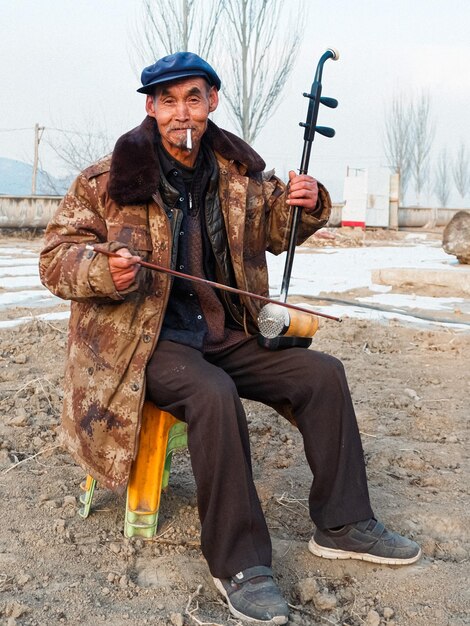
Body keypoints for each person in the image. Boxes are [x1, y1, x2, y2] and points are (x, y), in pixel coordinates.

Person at [40, 52, 420, 624]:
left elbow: (275, 228)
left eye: (192, 97)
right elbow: (53, 259)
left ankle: (344, 524)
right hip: (144, 345)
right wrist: (102, 271)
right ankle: (239, 564)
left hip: (223, 330)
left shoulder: (238, 172)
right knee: (213, 395)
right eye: (167, 100)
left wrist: (309, 204)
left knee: (321, 375)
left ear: (212, 100)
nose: (180, 112)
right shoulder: (107, 181)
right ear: (150, 107)